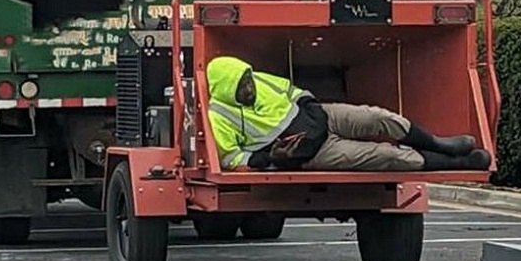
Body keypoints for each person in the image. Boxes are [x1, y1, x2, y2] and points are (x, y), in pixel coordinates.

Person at [206, 55, 492, 173]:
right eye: (242, 85)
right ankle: (460, 162)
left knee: (380, 118)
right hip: (314, 151)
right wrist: (271, 158)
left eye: (247, 79)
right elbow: (231, 159)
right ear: (227, 89)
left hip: (325, 116)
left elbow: (294, 92)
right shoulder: (218, 116)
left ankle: (439, 142)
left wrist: (309, 106)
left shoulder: (258, 79)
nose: (249, 86)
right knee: (388, 156)